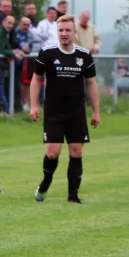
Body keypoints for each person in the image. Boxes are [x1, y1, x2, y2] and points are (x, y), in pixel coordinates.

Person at [30, 15, 100, 204]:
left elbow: (91, 83)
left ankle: (73, 197)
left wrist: (96, 111)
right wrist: (34, 105)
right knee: (53, 152)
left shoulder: (84, 55)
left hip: (76, 111)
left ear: (74, 32)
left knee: (76, 151)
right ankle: (45, 183)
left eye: (68, 30)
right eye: (61, 30)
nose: (64, 34)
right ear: (57, 32)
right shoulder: (47, 53)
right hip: (53, 111)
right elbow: (36, 79)